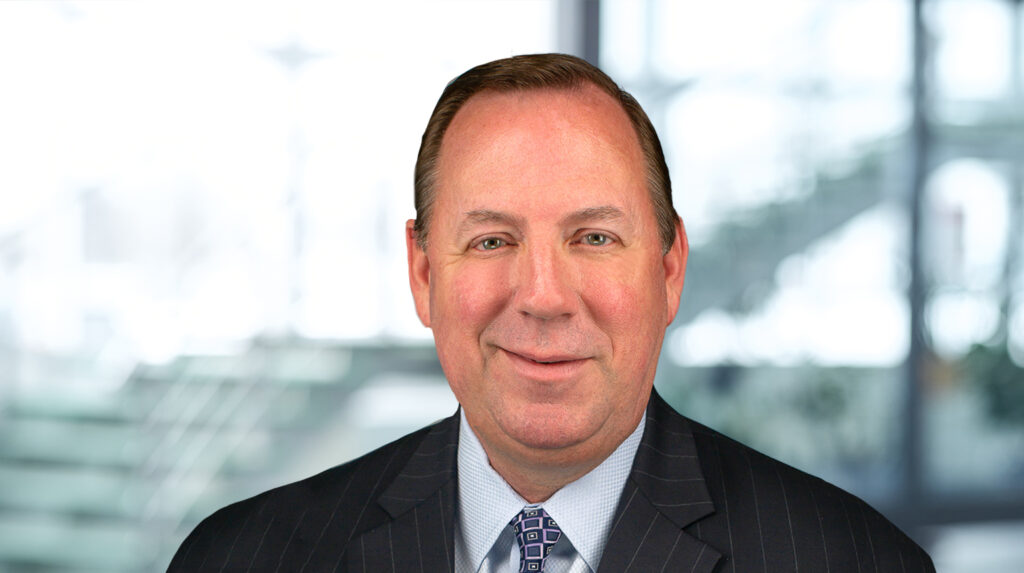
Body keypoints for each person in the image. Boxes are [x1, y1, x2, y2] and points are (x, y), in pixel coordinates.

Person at [168, 54, 934, 573]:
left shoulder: (853, 559)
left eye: (594, 237)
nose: (542, 294)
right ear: (423, 270)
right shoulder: (244, 555)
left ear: (669, 270)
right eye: (492, 238)